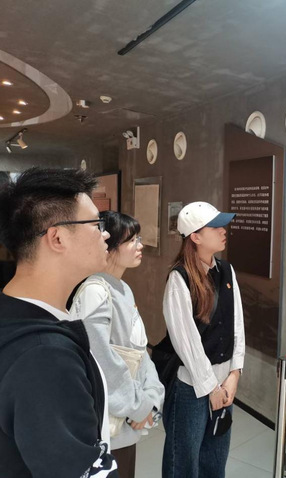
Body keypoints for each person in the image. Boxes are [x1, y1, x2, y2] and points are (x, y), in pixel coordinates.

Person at [0, 167, 118, 477]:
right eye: (96, 224)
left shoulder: (16, 316)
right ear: (57, 237)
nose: (106, 233)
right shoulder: (44, 357)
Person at [70, 211, 165, 478]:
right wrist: (139, 406)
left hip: (127, 423)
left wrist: (152, 398)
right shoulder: (95, 291)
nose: (140, 245)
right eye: (132, 240)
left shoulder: (123, 288)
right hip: (108, 429)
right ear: (109, 246)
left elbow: (140, 353)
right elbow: (103, 364)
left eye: (139, 239)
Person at [161, 201, 245, 478]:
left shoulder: (227, 270)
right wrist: (211, 387)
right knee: (183, 464)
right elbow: (186, 342)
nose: (224, 230)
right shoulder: (180, 278)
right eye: (215, 226)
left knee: (215, 462)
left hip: (224, 381)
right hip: (192, 385)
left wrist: (234, 374)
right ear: (195, 237)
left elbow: (237, 325)